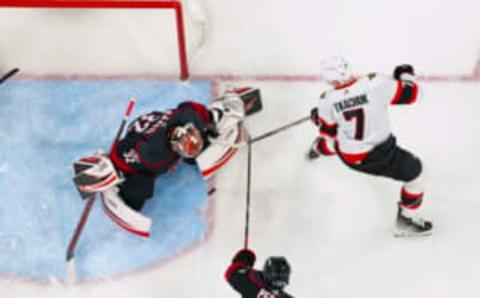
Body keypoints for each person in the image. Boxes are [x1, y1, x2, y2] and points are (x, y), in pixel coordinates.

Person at [73, 87, 262, 237]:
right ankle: (118, 182)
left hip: (159, 124)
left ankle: (218, 112)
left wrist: (212, 119)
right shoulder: (150, 155)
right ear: (174, 146)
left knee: (207, 133)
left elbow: (191, 109)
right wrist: (114, 170)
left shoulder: (190, 119)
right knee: (138, 195)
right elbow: (123, 155)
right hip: (141, 139)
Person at [307, 56, 432, 237]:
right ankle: (407, 221)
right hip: (378, 154)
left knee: (335, 141)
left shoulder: (326, 100)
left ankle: (315, 151)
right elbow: (414, 94)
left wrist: (320, 120)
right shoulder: (376, 83)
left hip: (349, 155)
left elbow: (329, 135)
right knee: (420, 175)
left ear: (329, 80)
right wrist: (405, 75)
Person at [225, 248, 293, 298]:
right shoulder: (251, 280)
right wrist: (242, 263)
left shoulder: (251, 281)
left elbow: (231, 273)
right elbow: (232, 273)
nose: (278, 283)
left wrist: (241, 262)